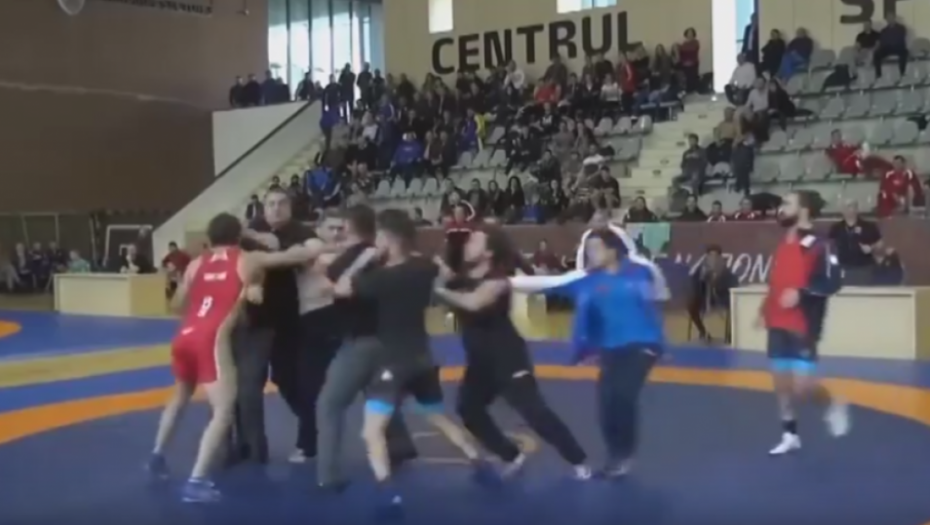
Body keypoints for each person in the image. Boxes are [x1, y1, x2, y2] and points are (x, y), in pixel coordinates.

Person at [145, 213, 331, 502]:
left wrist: (207, 297)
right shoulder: (248, 259)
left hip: (185, 336)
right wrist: (317, 246)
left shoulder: (196, 264)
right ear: (238, 235)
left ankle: (157, 455)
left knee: (180, 396)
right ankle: (196, 481)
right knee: (224, 410)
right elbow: (289, 258)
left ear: (210, 237)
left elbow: (177, 304)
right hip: (211, 340)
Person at [333, 209, 487, 517]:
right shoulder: (424, 266)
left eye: (379, 237)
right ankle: (480, 464)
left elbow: (340, 289)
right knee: (437, 416)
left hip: (394, 363)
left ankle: (388, 493)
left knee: (371, 432)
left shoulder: (380, 278)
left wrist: (363, 260)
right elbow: (447, 274)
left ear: (388, 239)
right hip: (423, 359)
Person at [433, 227, 592, 480]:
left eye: (474, 240)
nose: (467, 244)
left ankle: (578, 460)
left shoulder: (498, 279)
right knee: (468, 408)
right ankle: (511, 455)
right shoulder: (461, 276)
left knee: (534, 412)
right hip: (480, 362)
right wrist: (441, 269)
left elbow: (473, 302)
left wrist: (440, 289)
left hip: (508, 357)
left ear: (488, 252)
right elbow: (445, 276)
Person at [511, 227, 666, 477]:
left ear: (613, 250)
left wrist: (660, 343)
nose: (590, 253)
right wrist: (503, 282)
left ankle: (625, 454)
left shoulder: (640, 271)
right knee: (606, 403)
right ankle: (616, 453)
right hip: (611, 348)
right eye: (588, 248)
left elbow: (654, 299)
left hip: (643, 345)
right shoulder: (587, 281)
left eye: (596, 248)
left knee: (624, 395)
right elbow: (546, 284)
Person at [315, 205, 417, 491]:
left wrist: (323, 258)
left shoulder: (357, 256)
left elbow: (330, 277)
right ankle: (400, 444)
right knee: (376, 391)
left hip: (363, 340)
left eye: (341, 228)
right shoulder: (389, 256)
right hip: (393, 339)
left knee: (329, 405)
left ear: (348, 227)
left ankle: (328, 475)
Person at [759, 191, 848, 456]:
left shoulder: (822, 245)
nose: (780, 208)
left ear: (804, 210)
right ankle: (790, 434)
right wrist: (764, 309)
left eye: (787, 204)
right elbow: (778, 282)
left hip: (803, 324)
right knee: (781, 385)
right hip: (778, 322)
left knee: (803, 388)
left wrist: (802, 293)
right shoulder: (783, 244)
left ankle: (832, 405)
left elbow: (833, 282)